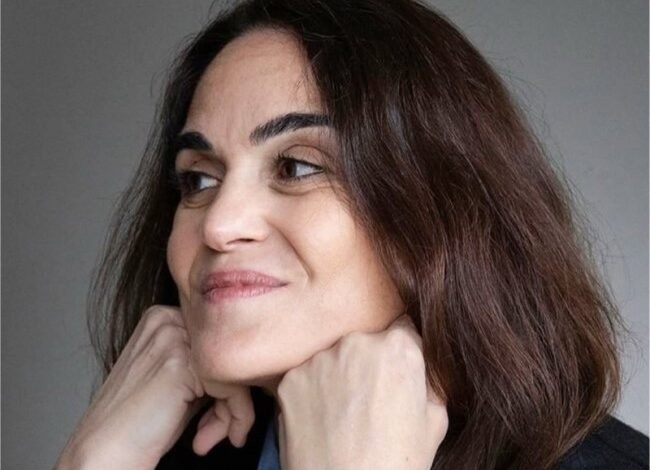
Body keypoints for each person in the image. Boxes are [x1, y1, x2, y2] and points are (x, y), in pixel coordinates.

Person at [55, 0, 648, 469]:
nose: (218, 224)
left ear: (437, 209)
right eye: (199, 180)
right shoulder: (171, 457)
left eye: (296, 168)